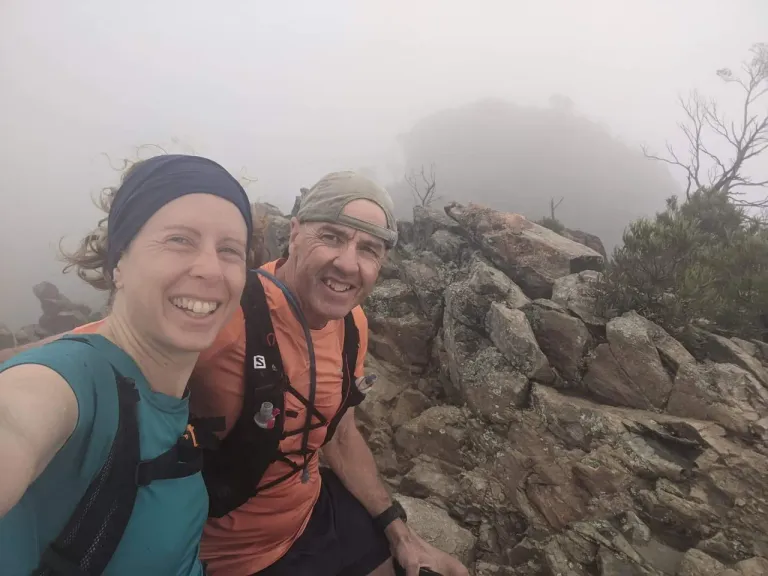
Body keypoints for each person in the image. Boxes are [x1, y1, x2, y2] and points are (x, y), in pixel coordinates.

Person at [2, 171, 470, 576]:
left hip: (312, 514)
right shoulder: (220, 312)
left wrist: (399, 529)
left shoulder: (351, 326)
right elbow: (85, 359)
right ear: (296, 232)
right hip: (233, 557)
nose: (348, 262)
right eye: (331, 236)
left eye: (368, 248)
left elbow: (339, 435)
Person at [0, 154, 253, 576]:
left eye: (229, 250)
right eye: (180, 240)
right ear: (119, 260)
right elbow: (18, 418)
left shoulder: (167, 394)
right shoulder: (73, 384)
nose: (211, 268)